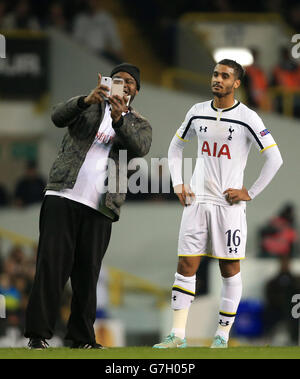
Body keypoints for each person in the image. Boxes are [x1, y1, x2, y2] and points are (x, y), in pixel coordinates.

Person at [153, 59, 283, 349]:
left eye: (225, 76)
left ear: (236, 83)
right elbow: (175, 147)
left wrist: (250, 191)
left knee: (229, 268)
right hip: (197, 200)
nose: (218, 79)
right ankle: (177, 336)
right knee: (186, 264)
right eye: (215, 73)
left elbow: (275, 158)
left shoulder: (248, 117)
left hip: (229, 206)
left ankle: (222, 336)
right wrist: (178, 182)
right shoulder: (197, 112)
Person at [24, 63, 152, 349]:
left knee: (87, 273)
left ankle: (81, 338)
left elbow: (139, 147)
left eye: (130, 81)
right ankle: (38, 335)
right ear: (108, 81)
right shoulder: (89, 105)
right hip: (62, 196)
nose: (124, 84)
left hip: (101, 206)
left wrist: (119, 119)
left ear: (137, 91)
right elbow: (57, 116)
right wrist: (85, 100)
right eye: (118, 79)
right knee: (51, 267)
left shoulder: (138, 122)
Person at [72, 0, 123, 64]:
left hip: (101, 56)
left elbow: (114, 39)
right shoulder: (80, 19)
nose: (92, 2)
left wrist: (118, 54)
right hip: (84, 55)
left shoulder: (105, 18)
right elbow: (76, 41)